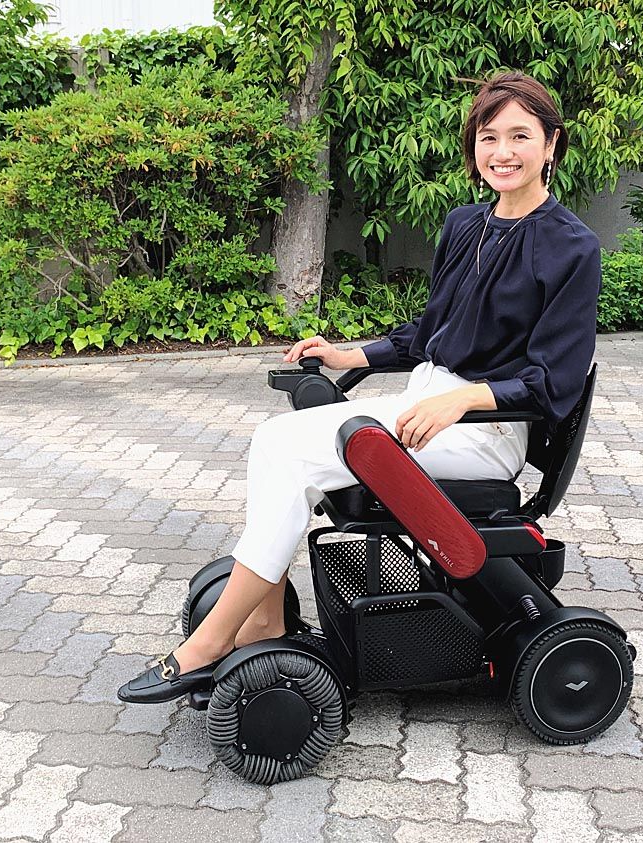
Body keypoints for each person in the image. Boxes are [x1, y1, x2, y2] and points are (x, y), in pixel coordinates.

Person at [117, 70, 601, 703]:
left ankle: (211, 644)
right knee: (276, 439)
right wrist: (350, 353)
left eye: (520, 136)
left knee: (292, 452)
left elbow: (553, 381)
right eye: (489, 137)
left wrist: (463, 398)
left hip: (485, 430)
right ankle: (261, 622)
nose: (502, 152)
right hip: (426, 407)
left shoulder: (572, 247)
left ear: (551, 144)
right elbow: (432, 332)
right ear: (473, 147)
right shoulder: (466, 225)